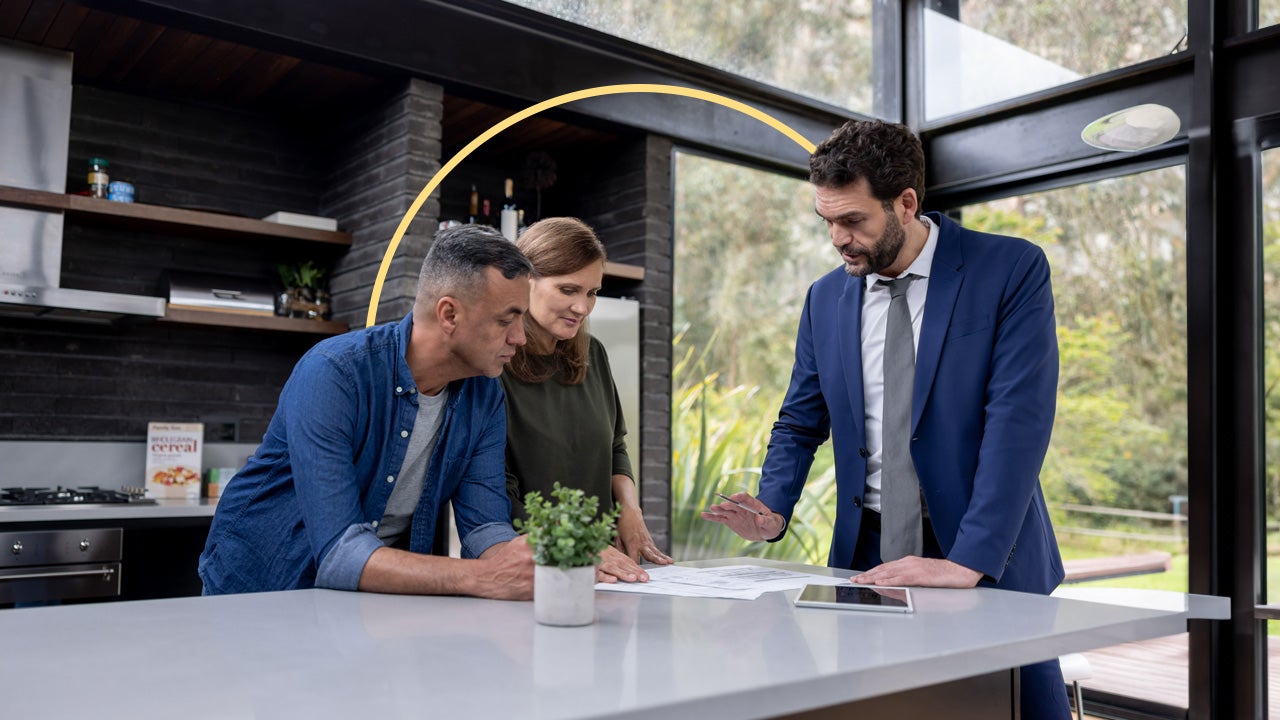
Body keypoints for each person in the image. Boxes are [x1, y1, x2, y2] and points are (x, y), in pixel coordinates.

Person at [701, 119, 1069, 720]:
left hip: (987, 552)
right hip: (869, 557)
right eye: (827, 221)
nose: (838, 239)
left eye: (853, 222)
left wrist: (968, 561)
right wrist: (773, 508)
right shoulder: (825, 298)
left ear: (905, 203)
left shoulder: (1010, 269)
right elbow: (799, 420)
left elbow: (1018, 420)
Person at [200, 224, 626, 599]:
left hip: (364, 595)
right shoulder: (335, 373)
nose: (519, 337)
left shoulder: (484, 395)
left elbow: (485, 528)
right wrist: (482, 577)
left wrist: (553, 555)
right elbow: (340, 553)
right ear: (449, 314)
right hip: (261, 588)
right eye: (506, 320)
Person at [503, 217, 673, 579]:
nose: (582, 307)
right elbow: (499, 493)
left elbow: (615, 446)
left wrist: (630, 509)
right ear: (525, 281)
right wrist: (574, 544)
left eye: (592, 293)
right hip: (536, 570)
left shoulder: (593, 354)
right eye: (568, 290)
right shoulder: (495, 365)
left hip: (604, 569)